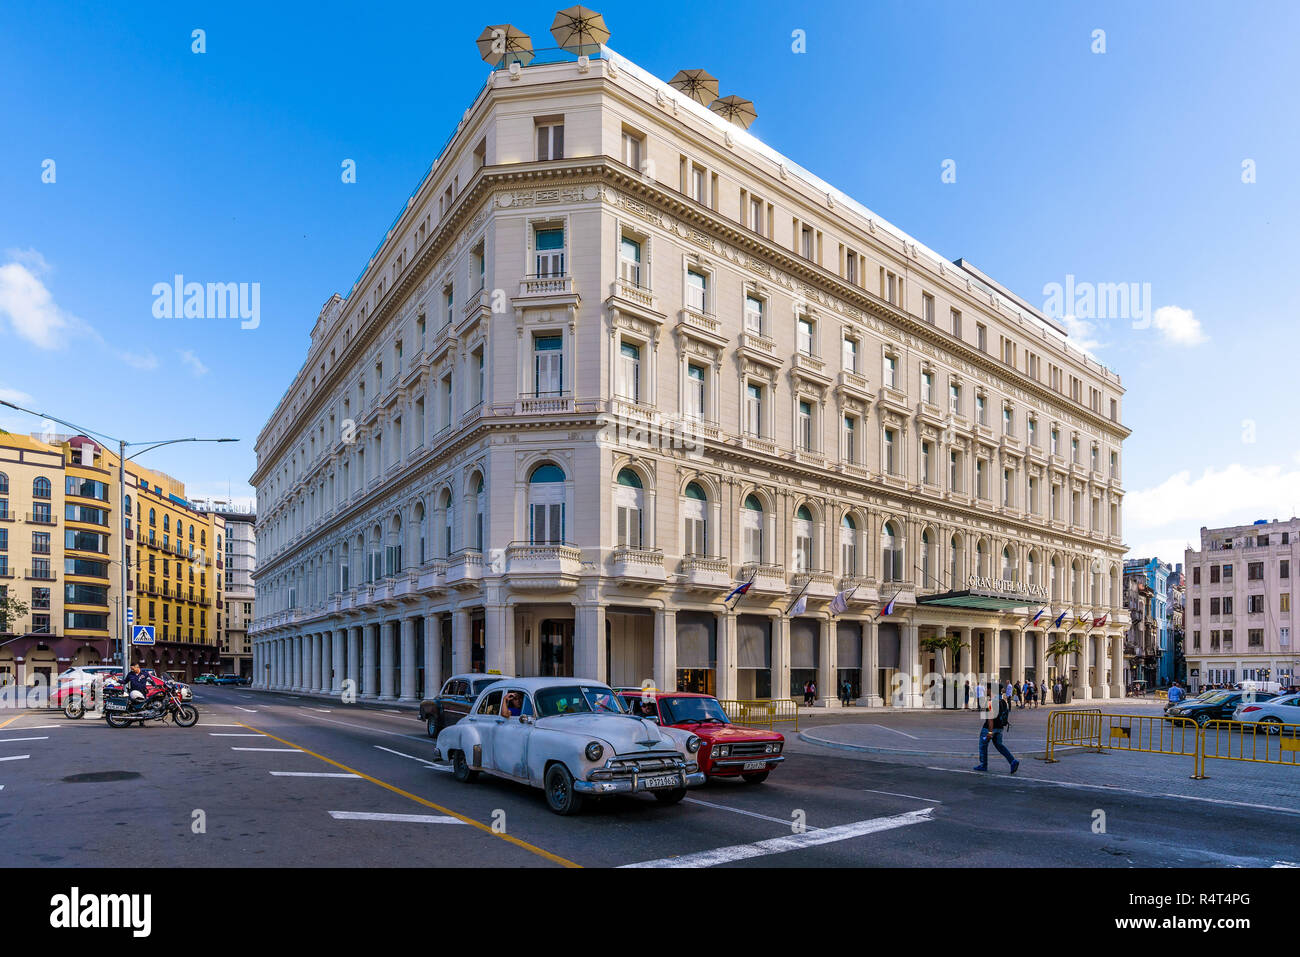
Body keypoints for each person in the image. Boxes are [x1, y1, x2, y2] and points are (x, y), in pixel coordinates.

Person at [974, 684, 1019, 774]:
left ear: (991, 690)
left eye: (988, 689)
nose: (986, 690)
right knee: (1000, 746)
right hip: (1000, 728)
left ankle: (983, 765)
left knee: (983, 746)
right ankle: (1012, 761)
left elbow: (990, 719)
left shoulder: (991, 702)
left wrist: (990, 732)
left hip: (989, 728)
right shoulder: (1003, 701)